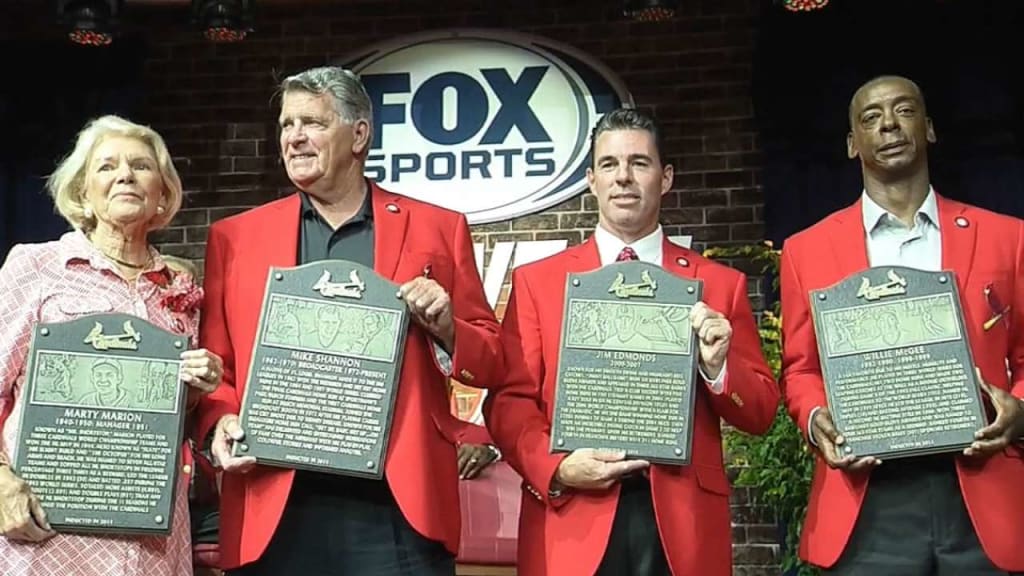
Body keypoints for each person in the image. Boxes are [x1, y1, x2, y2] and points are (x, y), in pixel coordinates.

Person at [196, 66, 504, 575]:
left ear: (358, 134)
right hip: (275, 502)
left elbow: (492, 360)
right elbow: (217, 369)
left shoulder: (438, 229)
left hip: (396, 508)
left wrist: (448, 326)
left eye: (312, 122)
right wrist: (220, 420)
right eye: (285, 125)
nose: (294, 137)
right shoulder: (234, 238)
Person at [483, 107, 780, 576]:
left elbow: (761, 410)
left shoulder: (717, 284)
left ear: (665, 178)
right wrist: (556, 467)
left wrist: (719, 368)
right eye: (609, 165)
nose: (623, 177)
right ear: (590, 180)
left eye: (639, 163)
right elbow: (508, 402)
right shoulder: (540, 283)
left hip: (680, 523)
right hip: (573, 518)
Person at [780, 75, 1024, 574]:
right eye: (871, 117)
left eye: (904, 110)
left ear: (929, 129)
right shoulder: (806, 250)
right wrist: (815, 418)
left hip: (981, 493)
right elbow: (800, 371)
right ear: (852, 144)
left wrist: (1022, 409)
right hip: (867, 503)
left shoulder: (1008, 237)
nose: (888, 124)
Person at [0, 114, 224, 576]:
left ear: (162, 192)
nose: (125, 174)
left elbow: (172, 418)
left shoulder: (181, 287)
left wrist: (200, 389)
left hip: (149, 540)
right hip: (50, 537)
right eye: (107, 167)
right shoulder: (38, 267)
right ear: (83, 192)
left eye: (141, 165)